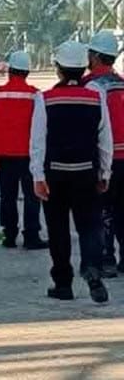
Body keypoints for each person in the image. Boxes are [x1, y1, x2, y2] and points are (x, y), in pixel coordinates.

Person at [30, 40, 112, 304]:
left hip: (55, 175)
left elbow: (37, 141)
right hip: (86, 173)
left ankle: (62, 283)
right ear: (84, 67)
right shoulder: (96, 96)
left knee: (58, 230)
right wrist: (104, 173)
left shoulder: (45, 99)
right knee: (90, 226)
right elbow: (105, 140)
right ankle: (92, 271)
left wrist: (37, 177)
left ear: (58, 69)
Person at [0, 51, 48, 250]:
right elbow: (41, 127)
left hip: (4, 153)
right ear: (27, 72)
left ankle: (9, 235)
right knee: (31, 196)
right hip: (28, 154)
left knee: (7, 196)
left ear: (9, 71)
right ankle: (31, 236)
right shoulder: (35, 95)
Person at [84, 30, 124, 278]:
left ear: (96, 56)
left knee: (102, 212)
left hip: (104, 159)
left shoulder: (91, 86)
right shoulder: (122, 84)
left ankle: (107, 257)